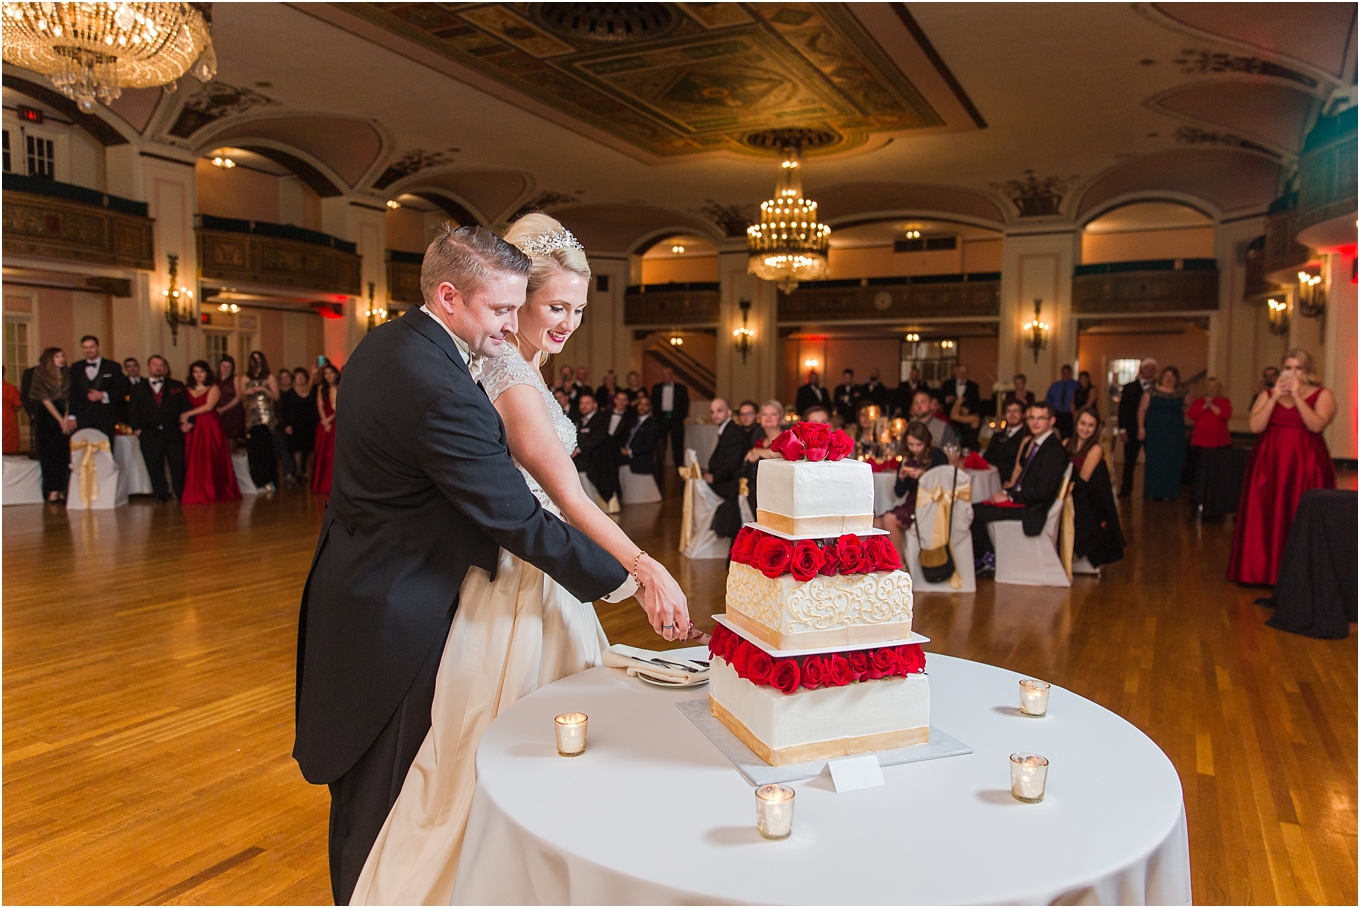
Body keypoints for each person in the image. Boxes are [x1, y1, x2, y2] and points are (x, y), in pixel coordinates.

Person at [342, 218, 691, 906]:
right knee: (505, 743)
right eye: (553, 306)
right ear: (519, 299)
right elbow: (564, 495)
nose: (566, 322)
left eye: (579, 310)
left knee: (554, 736)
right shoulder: (504, 372)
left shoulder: (520, 364)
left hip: (543, 566)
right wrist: (642, 567)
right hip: (518, 576)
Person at [1228, 349, 1336, 586]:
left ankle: (1301, 575)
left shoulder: (1322, 394)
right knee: (1265, 513)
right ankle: (1261, 572)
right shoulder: (1268, 394)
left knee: (1300, 513)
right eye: (1288, 367)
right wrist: (1276, 396)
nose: (1293, 373)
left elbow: (1316, 426)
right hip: (1269, 463)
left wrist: (1297, 397)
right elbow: (1256, 426)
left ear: (1308, 372)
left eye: (1298, 368)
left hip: (1305, 464)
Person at [971, 402, 1068, 576]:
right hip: (1025, 501)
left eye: (1041, 418)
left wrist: (1010, 497)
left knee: (975, 512)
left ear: (1051, 421)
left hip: (1032, 509)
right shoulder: (1037, 444)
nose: (1035, 422)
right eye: (1032, 417)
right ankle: (986, 556)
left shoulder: (1053, 451)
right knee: (976, 507)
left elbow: (1041, 492)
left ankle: (985, 559)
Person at [875, 421, 948, 556]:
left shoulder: (937, 456)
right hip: (911, 501)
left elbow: (943, 485)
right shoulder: (906, 459)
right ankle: (885, 563)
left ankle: (900, 566)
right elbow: (899, 492)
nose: (914, 448)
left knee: (888, 519)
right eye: (911, 444)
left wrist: (923, 476)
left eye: (918, 445)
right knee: (876, 524)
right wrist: (901, 478)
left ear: (926, 442)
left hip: (929, 503)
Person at [1067, 409, 1124, 568]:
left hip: (1084, 497)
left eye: (1091, 425)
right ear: (1076, 424)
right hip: (1068, 492)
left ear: (1096, 428)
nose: (1085, 429)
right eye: (1083, 423)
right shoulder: (1066, 443)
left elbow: (1082, 480)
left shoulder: (1096, 449)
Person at [127, 355, 188, 503]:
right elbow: (132, 410)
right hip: (149, 433)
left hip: (172, 432)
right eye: (155, 365)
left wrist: (187, 422)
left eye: (161, 365)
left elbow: (186, 407)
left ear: (165, 368)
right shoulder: (137, 388)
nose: (158, 368)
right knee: (154, 466)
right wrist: (136, 429)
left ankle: (181, 494)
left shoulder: (177, 386)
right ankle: (160, 495)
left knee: (177, 464)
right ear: (148, 367)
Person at [180, 360, 241, 504]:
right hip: (193, 427)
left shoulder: (214, 388)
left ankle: (213, 490)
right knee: (193, 457)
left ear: (207, 373)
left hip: (209, 426)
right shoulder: (187, 389)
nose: (199, 375)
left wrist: (189, 413)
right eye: (195, 372)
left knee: (211, 457)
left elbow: (209, 406)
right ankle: (195, 491)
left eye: (201, 371)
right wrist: (185, 420)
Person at [28, 347, 72, 502]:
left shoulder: (68, 373)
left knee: (64, 453)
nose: (61, 359)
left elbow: (71, 397)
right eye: (57, 356)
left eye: (62, 356)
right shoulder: (40, 373)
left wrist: (66, 417)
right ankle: (52, 489)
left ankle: (63, 489)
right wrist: (60, 420)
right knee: (50, 454)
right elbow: (44, 399)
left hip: (65, 413)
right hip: (47, 416)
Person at [703, 397, 750, 540]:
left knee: (697, 486)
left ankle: (704, 533)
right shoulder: (727, 430)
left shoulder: (733, 431)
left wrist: (714, 477)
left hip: (731, 484)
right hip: (727, 479)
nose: (715, 415)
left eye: (719, 411)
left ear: (729, 412)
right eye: (712, 412)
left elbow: (732, 464)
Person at [1137, 365, 1187, 501]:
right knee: (1155, 461)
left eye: (1172, 377)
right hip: (1156, 433)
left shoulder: (1181, 393)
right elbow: (1141, 410)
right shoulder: (1151, 392)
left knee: (1172, 462)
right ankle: (1153, 492)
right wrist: (1141, 428)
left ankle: (1170, 493)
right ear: (1161, 377)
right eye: (1167, 376)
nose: (1169, 379)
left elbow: (1189, 409)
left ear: (1176, 379)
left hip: (1175, 433)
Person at [68, 335, 125, 440]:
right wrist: (71, 416)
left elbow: (122, 389)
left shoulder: (112, 366)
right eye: (85, 347)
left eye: (91, 347)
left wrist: (103, 395)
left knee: (104, 449)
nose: (88, 350)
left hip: (105, 416)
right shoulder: (76, 367)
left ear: (98, 347)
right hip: (82, 416)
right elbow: (73, 393)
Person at [1117, 359, 1157, 497]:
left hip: (1153, 430)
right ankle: (1126, 489)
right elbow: (1123, 410)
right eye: (1146, 368)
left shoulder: (1158, 387)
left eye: (1152, 369)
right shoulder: (1129, 387)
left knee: (1153, 461)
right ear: (1141, 370)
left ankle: (1152, 489)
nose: (1149, 371)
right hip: (1132, 429)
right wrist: (1122, 429)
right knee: (1129, 461)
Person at [1187, 377, 1232, 495]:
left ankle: (1216, 494)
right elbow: (1191, 414)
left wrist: (1211, 405)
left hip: (1218, 441)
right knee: (1199, 471)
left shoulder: (1224, 401)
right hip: (1200, 442)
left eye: (1214, 386)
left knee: (1217, 471)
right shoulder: (1198, 402)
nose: (1211, 389)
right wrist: (1204, 406)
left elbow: (1226, 414)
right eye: (1209, 386)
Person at [573, 391, 618, 511]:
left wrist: (578, 449)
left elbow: (598, 438)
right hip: (584, 464)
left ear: (595, 405)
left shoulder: (601, 419)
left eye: (587, 403)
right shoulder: (580, 421)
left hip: (596, 464)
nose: (584, 406)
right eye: (581, 403)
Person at [243, 350, 280, 493]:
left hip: (265, 416)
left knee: (267, 449)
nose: (256, 362)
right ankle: (257, 481)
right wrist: (248, 391)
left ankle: (270, 480)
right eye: (253, 359)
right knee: (254, 450)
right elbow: (241, 396)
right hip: (251, 418)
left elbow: (276, 396)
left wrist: (264, 389)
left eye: (258, 359)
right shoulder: (246, 377)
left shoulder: (268, 377)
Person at [742, 399, 784, 512]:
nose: (768, 417)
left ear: (780, 419)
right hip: (757, 494)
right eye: (765, 414)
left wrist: (756, 451)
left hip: (778, 494)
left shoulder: (786, 438)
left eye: (773, 414)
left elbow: (776, 453)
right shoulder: (759, 442)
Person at [651, 366, 690, 473]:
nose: (666, 376)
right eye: (663, 374)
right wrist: (657, 418)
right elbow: (653, 404)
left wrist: (680, 417)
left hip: (676, 420)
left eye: (668, 374)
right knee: (660, 445)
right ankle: (659, 468)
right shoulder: (656, 388)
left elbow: (685, 404)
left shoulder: (681, 388)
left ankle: (679, 468)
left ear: (672, 375)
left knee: (678, 445)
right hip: (661, 420)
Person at [283, 367, 317, 484]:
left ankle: (315, 475)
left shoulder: (311, 390)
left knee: (312, 450)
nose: (300, 379)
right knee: (297, 449)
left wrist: (313, 374)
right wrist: (287, 425)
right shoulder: (290, 393)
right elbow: (285, 411)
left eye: (302, 376)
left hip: (309, 424)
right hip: (295, 425)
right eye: (297, 377)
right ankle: (299, 474)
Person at [984, 398, 1030, 481]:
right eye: (1009, 411)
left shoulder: (1027, 437)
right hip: (990, 478)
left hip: (1011, 481)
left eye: (1016, 411)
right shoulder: (997, 436)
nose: (1012, 415)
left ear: (1023, 414)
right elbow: (986, 458)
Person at [311, 363, 340, 495]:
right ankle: (321, 483)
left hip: (336, 421)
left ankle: (332, 484)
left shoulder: (339, 387)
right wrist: (325, 421)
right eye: (325, 373)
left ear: (336, 374)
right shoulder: (321, 388)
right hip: (325, 421)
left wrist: (330, 420)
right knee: (321, 452)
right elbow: (320, 405)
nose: (328, 376)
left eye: (331, 373)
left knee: (332, 454)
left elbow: (339, 407)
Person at [620, 393, 658, 481]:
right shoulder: (632, 421)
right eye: (640, 404)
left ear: (650, 407)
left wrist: (629, 452)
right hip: (625, 462)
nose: (642, 407)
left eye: (646, 404)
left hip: (640, 465)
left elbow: (649, 446)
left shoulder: (652, 424)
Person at [942, 364, 981, 447]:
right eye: (960, 372)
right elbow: (940, 399)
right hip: (950, 419)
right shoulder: (947, 384)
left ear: (967, 373)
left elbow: (977, 403)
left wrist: (968, 410)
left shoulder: (973, 386)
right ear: (956, 372)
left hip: (967, 420)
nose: (962, 374)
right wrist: (947, 399)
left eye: (965, 372)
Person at [214, 355, 245, 445]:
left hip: (233, 413)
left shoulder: (235, 379)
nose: (225, 369)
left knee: (231, 440)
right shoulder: (214, 380)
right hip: (217, 412)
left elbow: (239, 397)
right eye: (223, 366)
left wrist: (224, 409)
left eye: (228, 367)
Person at [1045, 364, 1080, 439]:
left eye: (1067, 373)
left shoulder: (1076, 385)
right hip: (1057, 413)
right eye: (1063, 372)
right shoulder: (1055, 386)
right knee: (1056, 434)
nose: (1065, 374)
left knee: (1068, 435)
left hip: (1069, 415)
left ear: (1070, 373)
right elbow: (1048, 400)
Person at [3, 377, 22, 454]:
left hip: (7, 415)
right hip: (7, 417)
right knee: (9, 445)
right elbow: (19, 403)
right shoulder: (10, 388)